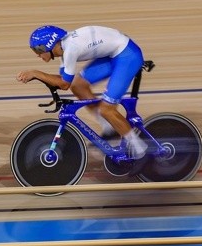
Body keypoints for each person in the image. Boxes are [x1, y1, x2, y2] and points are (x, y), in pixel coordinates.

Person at [16, 25, 148, 159]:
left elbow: (64, 84)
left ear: (49, 45)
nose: (37, 54)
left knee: (107, 110)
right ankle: (109, 128)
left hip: (127, 56)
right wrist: (38, 76)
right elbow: (63, 81)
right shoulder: (64, 49)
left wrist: (36, 73)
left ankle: (139, 149)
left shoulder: (70, 49)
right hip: (114, 54)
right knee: (78, 85)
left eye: (38, 50)